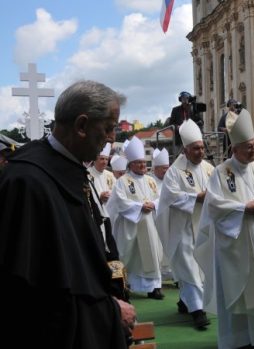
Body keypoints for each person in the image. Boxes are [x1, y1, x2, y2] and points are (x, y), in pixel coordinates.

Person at [0, 80, 135, 348]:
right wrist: (108, 311)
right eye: (108, 128)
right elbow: (30, 293)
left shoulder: (71, 169)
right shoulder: (27, 182)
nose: (111, 139)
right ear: (81, 126)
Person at [198, 108, 254, 348]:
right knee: (237, 290)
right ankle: (236, 341)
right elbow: (214, 205)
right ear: (235, 149)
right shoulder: (220, 172)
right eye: (249, 146)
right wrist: (242, 208)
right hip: (234, 244)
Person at [156, 119, 213, 330]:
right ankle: (198, 311)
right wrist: (195, 197)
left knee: (201, 269)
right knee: (189, 268)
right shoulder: (174, 171)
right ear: (185, 149)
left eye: (202, 147)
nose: (200, 152)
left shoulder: (209, 169)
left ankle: (185, 300)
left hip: (205, 227)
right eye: (196, 148)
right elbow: (170, 197)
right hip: (183, 229)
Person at [107, 136, 164, 301]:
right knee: (127, 256)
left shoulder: (150, 180)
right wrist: (139, 207)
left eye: (144, 162)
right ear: (131, 164)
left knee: (152, 254)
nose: (142, 165)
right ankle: (124, 287)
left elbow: (160, 198)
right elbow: (119, 202)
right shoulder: (123, 181)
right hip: (130, 225)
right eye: (138, 162)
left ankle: (154, 288)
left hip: (149, 224)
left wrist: (153, 204)